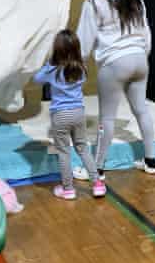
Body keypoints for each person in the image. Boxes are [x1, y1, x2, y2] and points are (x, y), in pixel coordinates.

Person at [76, 0, 155, 180]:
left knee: (107, 118)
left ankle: (97, 169)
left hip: (114, 63)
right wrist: (142, 55)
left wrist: (78, 62)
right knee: (142, 110)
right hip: (140, 59)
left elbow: (84, 40)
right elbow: (146, 32)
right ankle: (151, 161)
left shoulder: (94, 0)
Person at [33, 30, 107, 201]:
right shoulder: (82, 67)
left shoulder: (53, 69)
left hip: (60, 115)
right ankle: (97, 184)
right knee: (83, 148)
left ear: (57, 49)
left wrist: (47, 64)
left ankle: (68, 189)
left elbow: (37, 79)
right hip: (79, 113)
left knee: (64, 152)